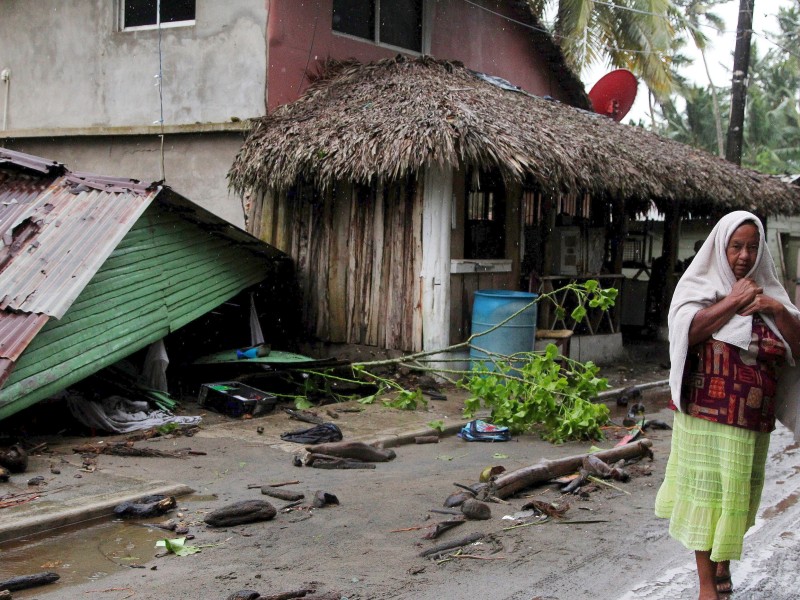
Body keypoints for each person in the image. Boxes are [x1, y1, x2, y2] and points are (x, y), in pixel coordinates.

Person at [655, 211, 800, 600]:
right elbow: (687, 331)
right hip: (705, 411)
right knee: (705, 492)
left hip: (751, 416)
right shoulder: (699, 285)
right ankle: (706, 585)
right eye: (736, 246)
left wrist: (776, 310)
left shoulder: (769, 291)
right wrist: (733, 302)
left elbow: (797, 349)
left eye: (752, 247)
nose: (744, 255)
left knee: (737, 494)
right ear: (721, 246)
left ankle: (724, 564)